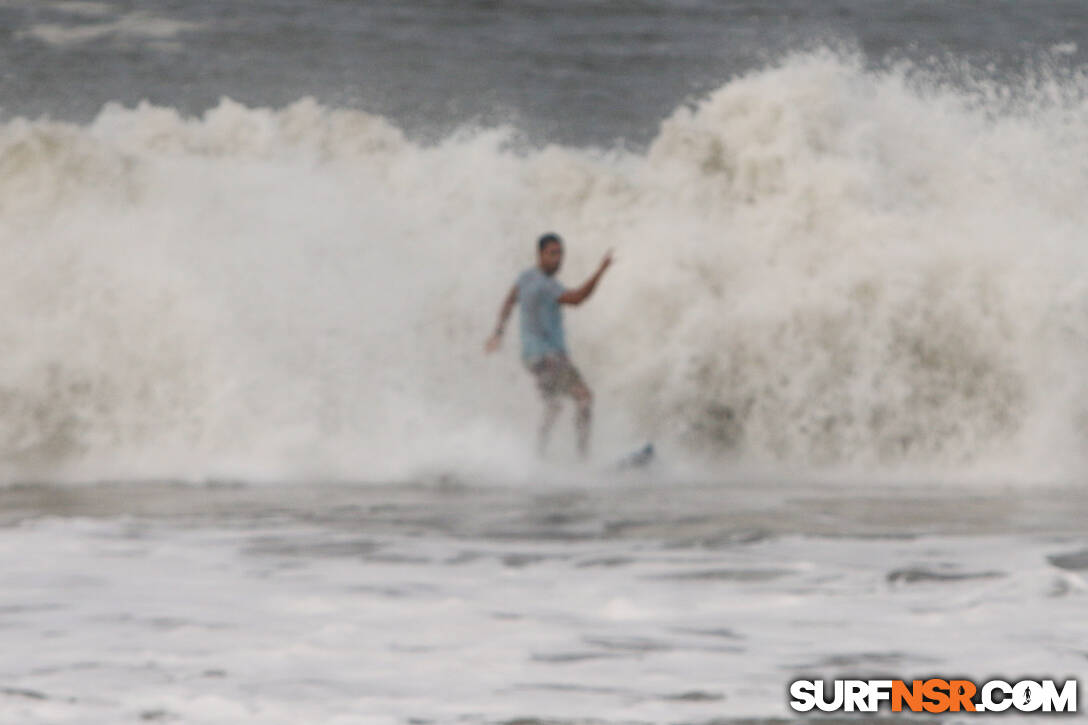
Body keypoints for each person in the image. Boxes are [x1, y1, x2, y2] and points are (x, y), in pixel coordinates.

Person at [485, 232, 613, 459]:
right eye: (552, 254)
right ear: (540, 255)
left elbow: (509, 301)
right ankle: (584, 460)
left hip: (531, 359)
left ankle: (538, 455)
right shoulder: (547, 286)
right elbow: (577, 299)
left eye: (560, 254)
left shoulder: (525, 277)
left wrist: (498, 333)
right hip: (549, 357)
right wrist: (601, 271)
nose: (558, 259)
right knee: (584, 397)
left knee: (553, 406)